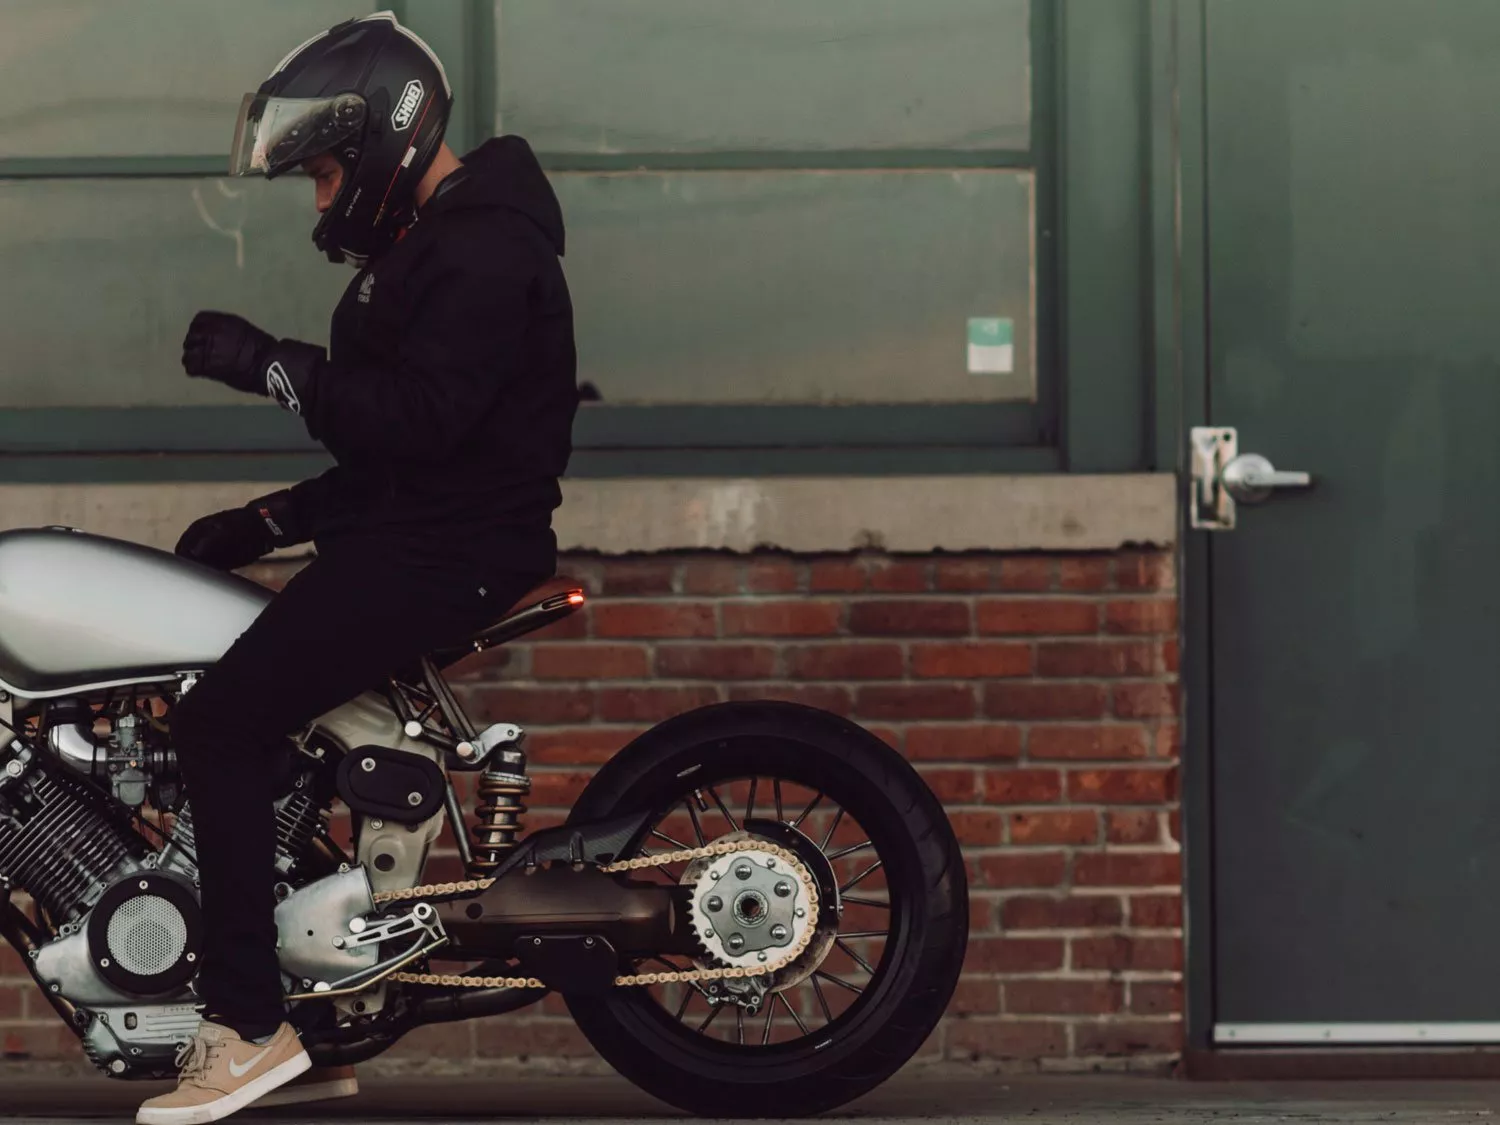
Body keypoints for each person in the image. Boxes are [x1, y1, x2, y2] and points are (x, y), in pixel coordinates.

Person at [136, 13, 578, 1124]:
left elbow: (424, 424)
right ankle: (315, 1019)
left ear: (380, 140)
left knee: (223, 724)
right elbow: (400, 454)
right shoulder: (441, 241)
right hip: (423, 532)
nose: (323, 201)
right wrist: (269, 515)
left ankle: (247, 1028)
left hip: (451, 555)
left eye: (327, 172)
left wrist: (274, 366)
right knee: (258, 723)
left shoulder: (483, 246)